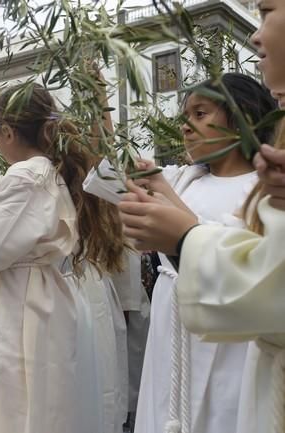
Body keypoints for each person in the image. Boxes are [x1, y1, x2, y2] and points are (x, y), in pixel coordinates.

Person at [0, 83, 128, 433]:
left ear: (7, 131)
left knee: (14, 405)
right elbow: (1, 230)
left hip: (22, 301)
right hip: (48, 293)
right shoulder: (52, 170)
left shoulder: (25, 174)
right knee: (50, 404)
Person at [126, 73, 276, 433]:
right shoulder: (182, 177)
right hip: (171, 317)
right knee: (165, 403)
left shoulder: (265, 189)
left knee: (219, 410)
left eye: (200, 114)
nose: (187, 126)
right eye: (185, 117)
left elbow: (236, 256)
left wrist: (171, 217)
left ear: (244, 119)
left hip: (229, 338)